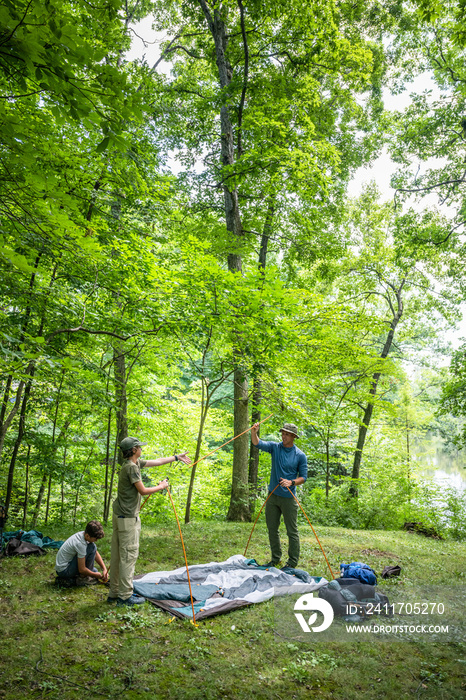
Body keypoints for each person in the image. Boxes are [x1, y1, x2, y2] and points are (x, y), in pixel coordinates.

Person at [108, 436, 192, 606]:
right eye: (139, 446)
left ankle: (114, 592)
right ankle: (124, 596)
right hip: (128, 520)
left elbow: (158, 461)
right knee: (128, 556)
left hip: (120, 517)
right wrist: (162, 486)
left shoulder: (132, 464)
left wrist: (177, 457)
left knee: (118, 555)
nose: (141, 448)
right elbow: (143, 490)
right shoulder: (132, 468)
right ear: (133, 450)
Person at [251, 422, 307, 569]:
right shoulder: (275, 448)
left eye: (287, 434)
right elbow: (257, 443)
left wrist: (291, 482)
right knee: (272, 529)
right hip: (272, 496)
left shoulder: (300, 455)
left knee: (292, 531)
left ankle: (292, 562)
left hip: (289, 499)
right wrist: (254, 432)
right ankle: (275, 559)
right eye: (283, 433)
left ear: (294, 437)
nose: (283, 436)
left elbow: (304, 477)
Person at [55, 520, 108, 585]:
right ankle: (83, 578)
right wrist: (94, 575)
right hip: (64, 570)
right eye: (95, 539)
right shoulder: (80, 543)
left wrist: (104, 569)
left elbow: (95, 553)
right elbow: (82, 569)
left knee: (95, 570)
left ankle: (82, 576)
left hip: (65, 566)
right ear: (88, 536)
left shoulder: (83, 534)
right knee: (91, 548)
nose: (96, 540)